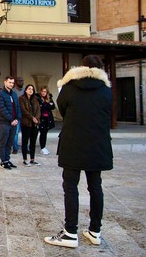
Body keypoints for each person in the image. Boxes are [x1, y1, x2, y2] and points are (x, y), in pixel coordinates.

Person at [44, 55, 113, 248]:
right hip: (97, 144)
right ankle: (95, 231)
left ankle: (70, 232)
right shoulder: (106, 91)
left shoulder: (69, 87)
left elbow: (63, 110)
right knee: (95, 187)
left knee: (70, 187)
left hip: (74, 142)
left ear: (82, 68)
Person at [0, 76, 21, 170]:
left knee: (10, 142)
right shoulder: (0, 94)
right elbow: (2, 109)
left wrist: (18, 118)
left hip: (14, 122)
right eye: (9, 82)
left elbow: (17, 107)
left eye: (12, 83)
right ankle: (3, 161)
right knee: (3, 142)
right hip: (4, 122)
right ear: (5, 82)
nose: (11, 84)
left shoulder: (14, 94)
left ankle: (7, 159)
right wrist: (11, 120)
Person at [18, 84, 41, 167]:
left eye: (32, 89)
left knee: (33, 141)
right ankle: (25, 159)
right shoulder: (21, 99)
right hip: (26, 123)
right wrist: (32, 118)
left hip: (34, 124)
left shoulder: (35, 99)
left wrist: (36, 118)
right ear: (26, 90)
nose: (31, 90)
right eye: (29, 89)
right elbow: (23, 110)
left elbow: (38, 110)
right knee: (25, 141)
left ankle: (32, 159)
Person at [37, 86, 56, 155]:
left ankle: (44, 147)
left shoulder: (49, 98)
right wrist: (47, 104)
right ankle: (42, 147)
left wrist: (46, 104)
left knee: (45, 133)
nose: (43, 93)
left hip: (47, 118)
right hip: (41, 118)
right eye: (42, 91)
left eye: (45, 91)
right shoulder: (38, 98)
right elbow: (42, 107)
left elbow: (53, 106)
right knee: (42, 133)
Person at [12, 76, 24, 154]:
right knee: (15, 132)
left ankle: (25, 147)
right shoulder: (13, 91)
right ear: (16, 82)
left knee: (25, 132)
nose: (21, 82)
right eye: (19, 80)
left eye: (22, 80)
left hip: (25, 114)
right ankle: (15, 148)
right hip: (16, 114)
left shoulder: (25, 90)